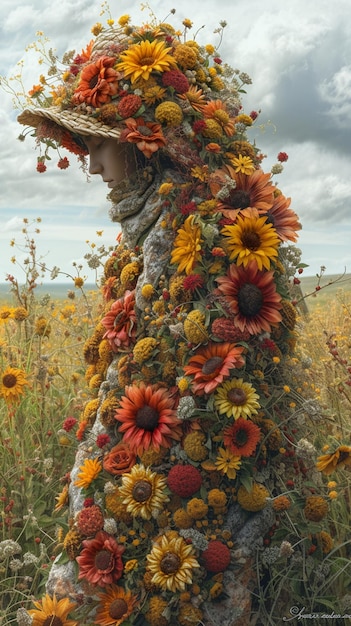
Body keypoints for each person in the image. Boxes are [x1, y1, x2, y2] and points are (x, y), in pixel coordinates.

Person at [15, 10, 324, 626]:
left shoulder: (200, 234)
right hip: (156, 448)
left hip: (196, 455)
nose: (93, 166)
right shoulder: (152, 227)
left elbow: (208, 371)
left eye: (98, 145)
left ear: (138, 144)